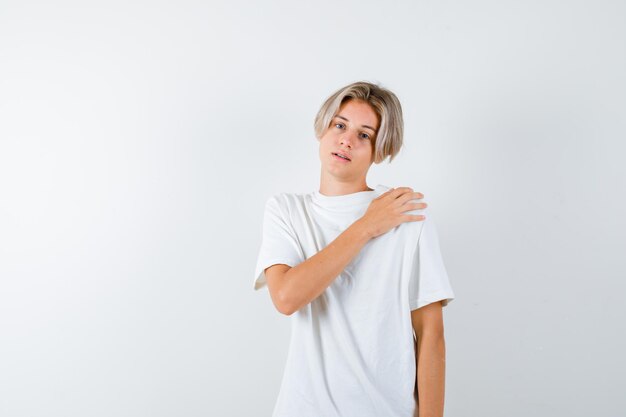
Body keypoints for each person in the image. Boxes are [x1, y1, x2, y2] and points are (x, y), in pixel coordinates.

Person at [253, 80, 455, 417]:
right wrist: (366, 226)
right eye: (340, 125)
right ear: (323, 129)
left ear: (380, 148)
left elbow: (430, 334)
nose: (347, 139)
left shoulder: (407, 215)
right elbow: (286, 297)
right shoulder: (286, 210)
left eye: (365, 134)